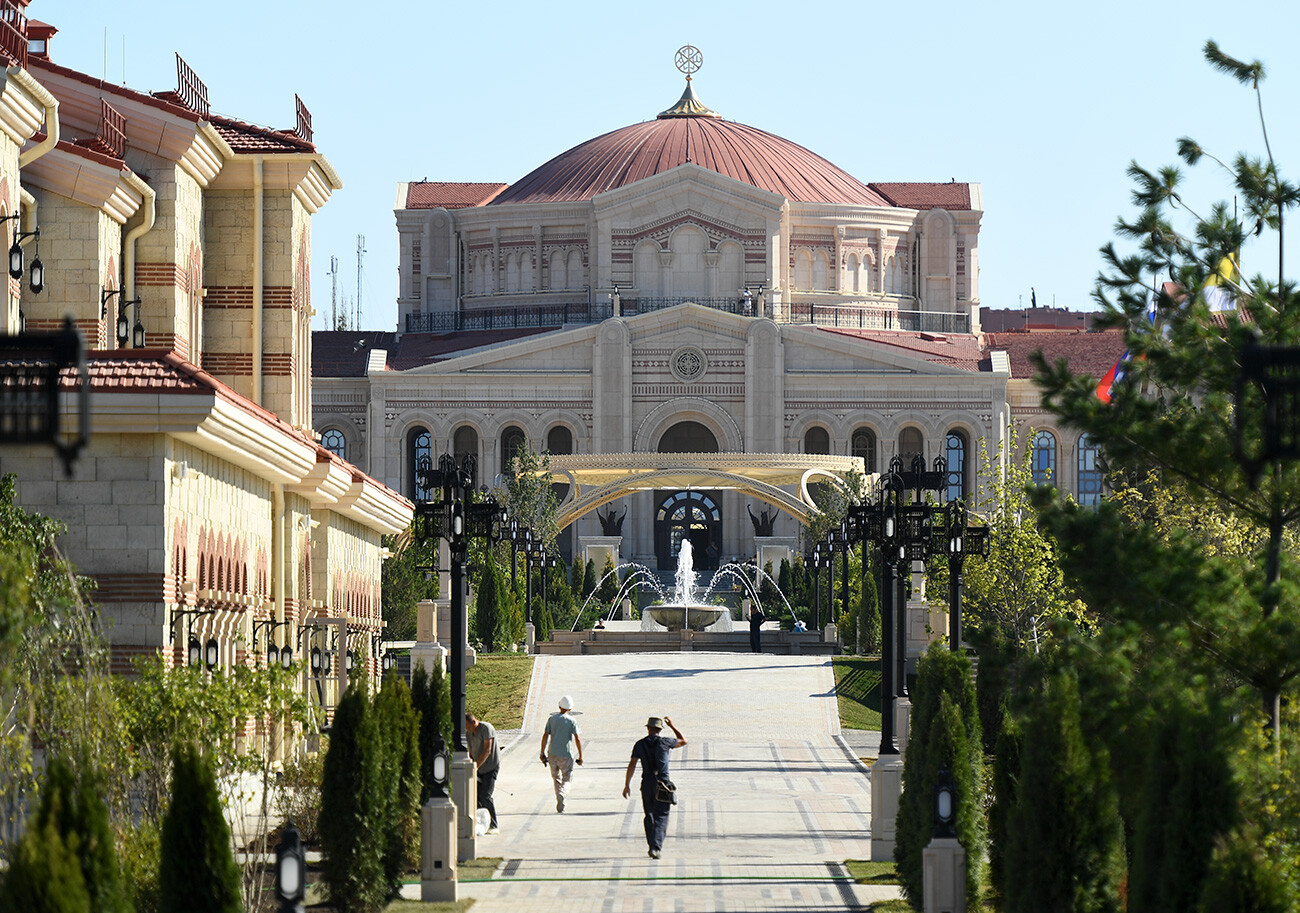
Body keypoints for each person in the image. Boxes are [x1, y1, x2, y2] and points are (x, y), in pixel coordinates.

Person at [623, 716, 686, 858]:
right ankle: (655, 847)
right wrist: (673, 726)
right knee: (661, 816)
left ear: (648, 728)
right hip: (662, 783)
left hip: (646, 783)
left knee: (649, 814)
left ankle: (652, 843)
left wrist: (627, 785)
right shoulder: (665, 742)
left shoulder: (639, 744)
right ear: (660, 729)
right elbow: (684, 741)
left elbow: (632, 764)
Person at [539, 695, 583, 812]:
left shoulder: (552, 719)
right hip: (566, 754)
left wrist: (542, 752)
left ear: (559, 706)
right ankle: (563, 793)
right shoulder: (572, 721)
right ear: (570, 709)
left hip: (552, 753)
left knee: (556, 778)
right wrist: (580, 756)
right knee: (567, 778)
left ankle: (560, 801)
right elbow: (577, 738)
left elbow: (545, 735)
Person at [465, 711, 500, 833]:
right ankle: (481, 822)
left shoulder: (486, 728)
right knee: (476, 796)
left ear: (474, 722)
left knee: (486, 795)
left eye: (468, 726)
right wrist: (471, 764)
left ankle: (493, 825)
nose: (467, 729)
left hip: (490, 766)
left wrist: (476, 766)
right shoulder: (468, 733)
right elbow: (470, 751)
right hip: (478, 767)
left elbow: (487, 750)